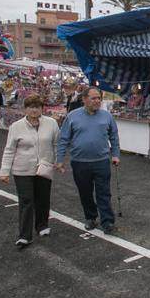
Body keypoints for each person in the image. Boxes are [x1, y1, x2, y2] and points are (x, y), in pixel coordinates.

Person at [55, 87, 121, 234]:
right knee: (85, 192)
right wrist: (59, 160)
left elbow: (114, 137)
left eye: (99, 98)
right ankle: (90, 217)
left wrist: (115, 154)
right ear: (84, 99)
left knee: (104, 193)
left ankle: (107, 221)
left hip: (101, 161)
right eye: (94, 98)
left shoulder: (107, 116)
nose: (97, 101)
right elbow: (63, 139)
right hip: (80, 162)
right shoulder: (72, 116)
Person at [0, 94, 60, 247]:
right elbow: (9, 150)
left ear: (42, 108)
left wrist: (58, 161)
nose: (34, 110)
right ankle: (24, 235)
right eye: (31, 107)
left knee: (43, 198)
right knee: (26, 201)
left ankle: (42, 225)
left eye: (37, 107)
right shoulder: (16, 126)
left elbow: (56, 144)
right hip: (22, 170)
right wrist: (4, 171)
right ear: (25, 109)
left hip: (44, 167)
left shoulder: (51, 123)